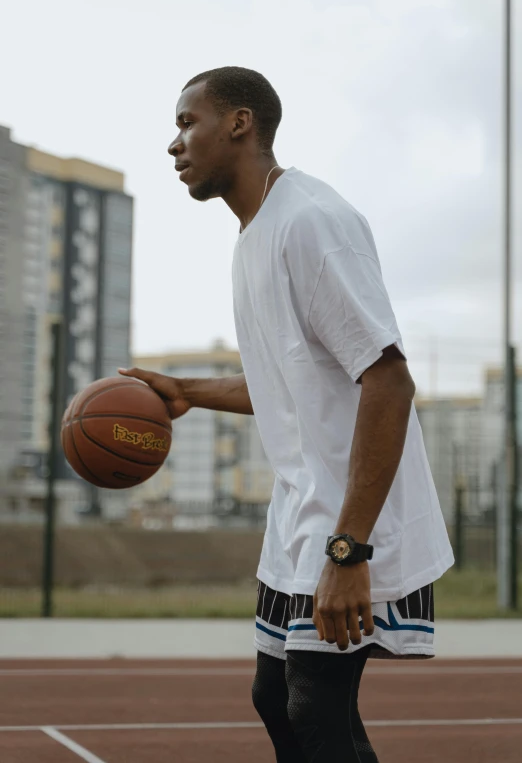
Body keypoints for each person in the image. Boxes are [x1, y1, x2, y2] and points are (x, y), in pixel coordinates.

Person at [120, 66, 454, 762]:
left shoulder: (311, 222)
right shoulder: (253, 237)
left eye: (188, 122)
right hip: (302, 514)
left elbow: (389, 381)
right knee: (278, 700)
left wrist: (349, 548)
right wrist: (187, 390)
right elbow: (287, 386)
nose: (174, 143)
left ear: (240, 123)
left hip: (355, 519)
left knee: (315, 705)